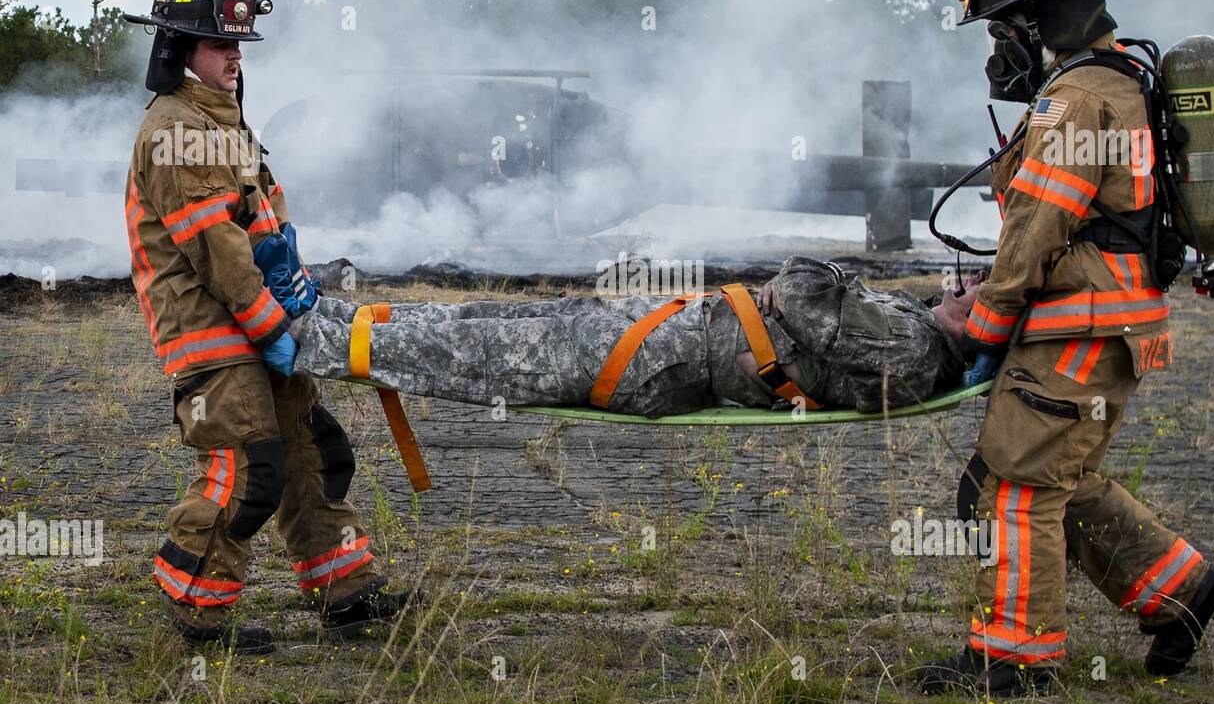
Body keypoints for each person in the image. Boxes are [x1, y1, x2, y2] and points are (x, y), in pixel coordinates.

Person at [918, 0, 1214, 695]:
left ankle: (1015, 659)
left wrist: (984, 324)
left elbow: (1037, 228)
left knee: (1021, 484)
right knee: (1064, 472)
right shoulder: (1117, 81)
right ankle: (1182, 593)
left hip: (1079, 322)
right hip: (1111, 322)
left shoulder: (1076, 99)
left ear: (1033, 22)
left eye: (1001, 32)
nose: (997, 53)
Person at [123, 0, 409, 654]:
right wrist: (272, 324)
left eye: (240, 44)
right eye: (220, 44)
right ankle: (196, 612)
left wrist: (298, 294)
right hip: (211, 334)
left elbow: (261, 226)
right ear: (178, 49)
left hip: (258, 325)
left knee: (314, 451)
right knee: (248, 473)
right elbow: (214, 248)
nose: (236, 56)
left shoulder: (225, 124)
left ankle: (346, 593)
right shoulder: (175, 131)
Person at [286, 257, 973, 417]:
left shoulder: (914, 348)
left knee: (483, 356)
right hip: (675, 329)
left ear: (983, 325)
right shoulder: (915, 326)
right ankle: (334, 319)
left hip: (667, 358)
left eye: (978, 292)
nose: (966, 285)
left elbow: (798, 293)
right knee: (484, 320)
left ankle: (303, 340)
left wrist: (806, 279)